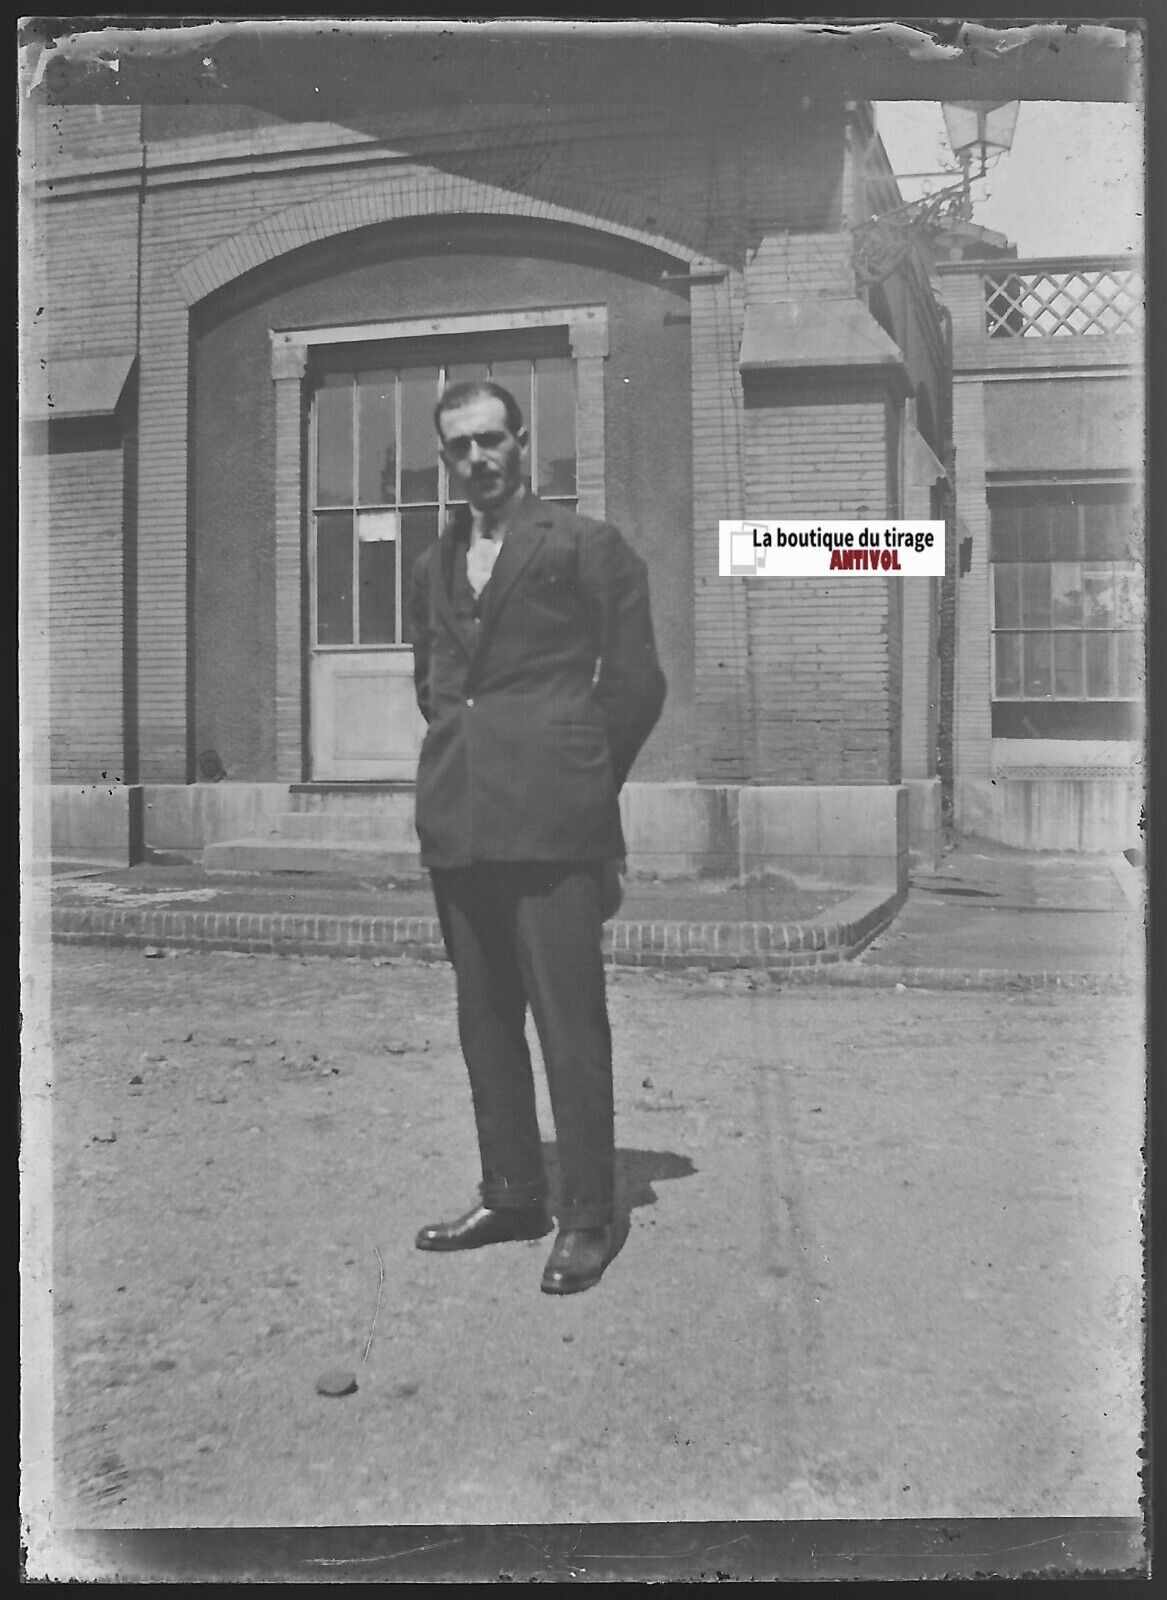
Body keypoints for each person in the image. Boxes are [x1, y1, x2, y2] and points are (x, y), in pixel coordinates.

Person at [409, 380, 666, 1294]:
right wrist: (457, 754)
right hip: (460, 822)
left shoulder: (585, 544)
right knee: (484, 1024)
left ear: (523, 442)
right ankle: (513, 1193)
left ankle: (589, 1215)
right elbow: (436, 681)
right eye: (457, 448)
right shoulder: (435, 558)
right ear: (444, 460)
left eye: (490, 442)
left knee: (568, 1026)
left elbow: (635, 684)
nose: (475, 461)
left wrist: (579, 782)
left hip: (556, 827)